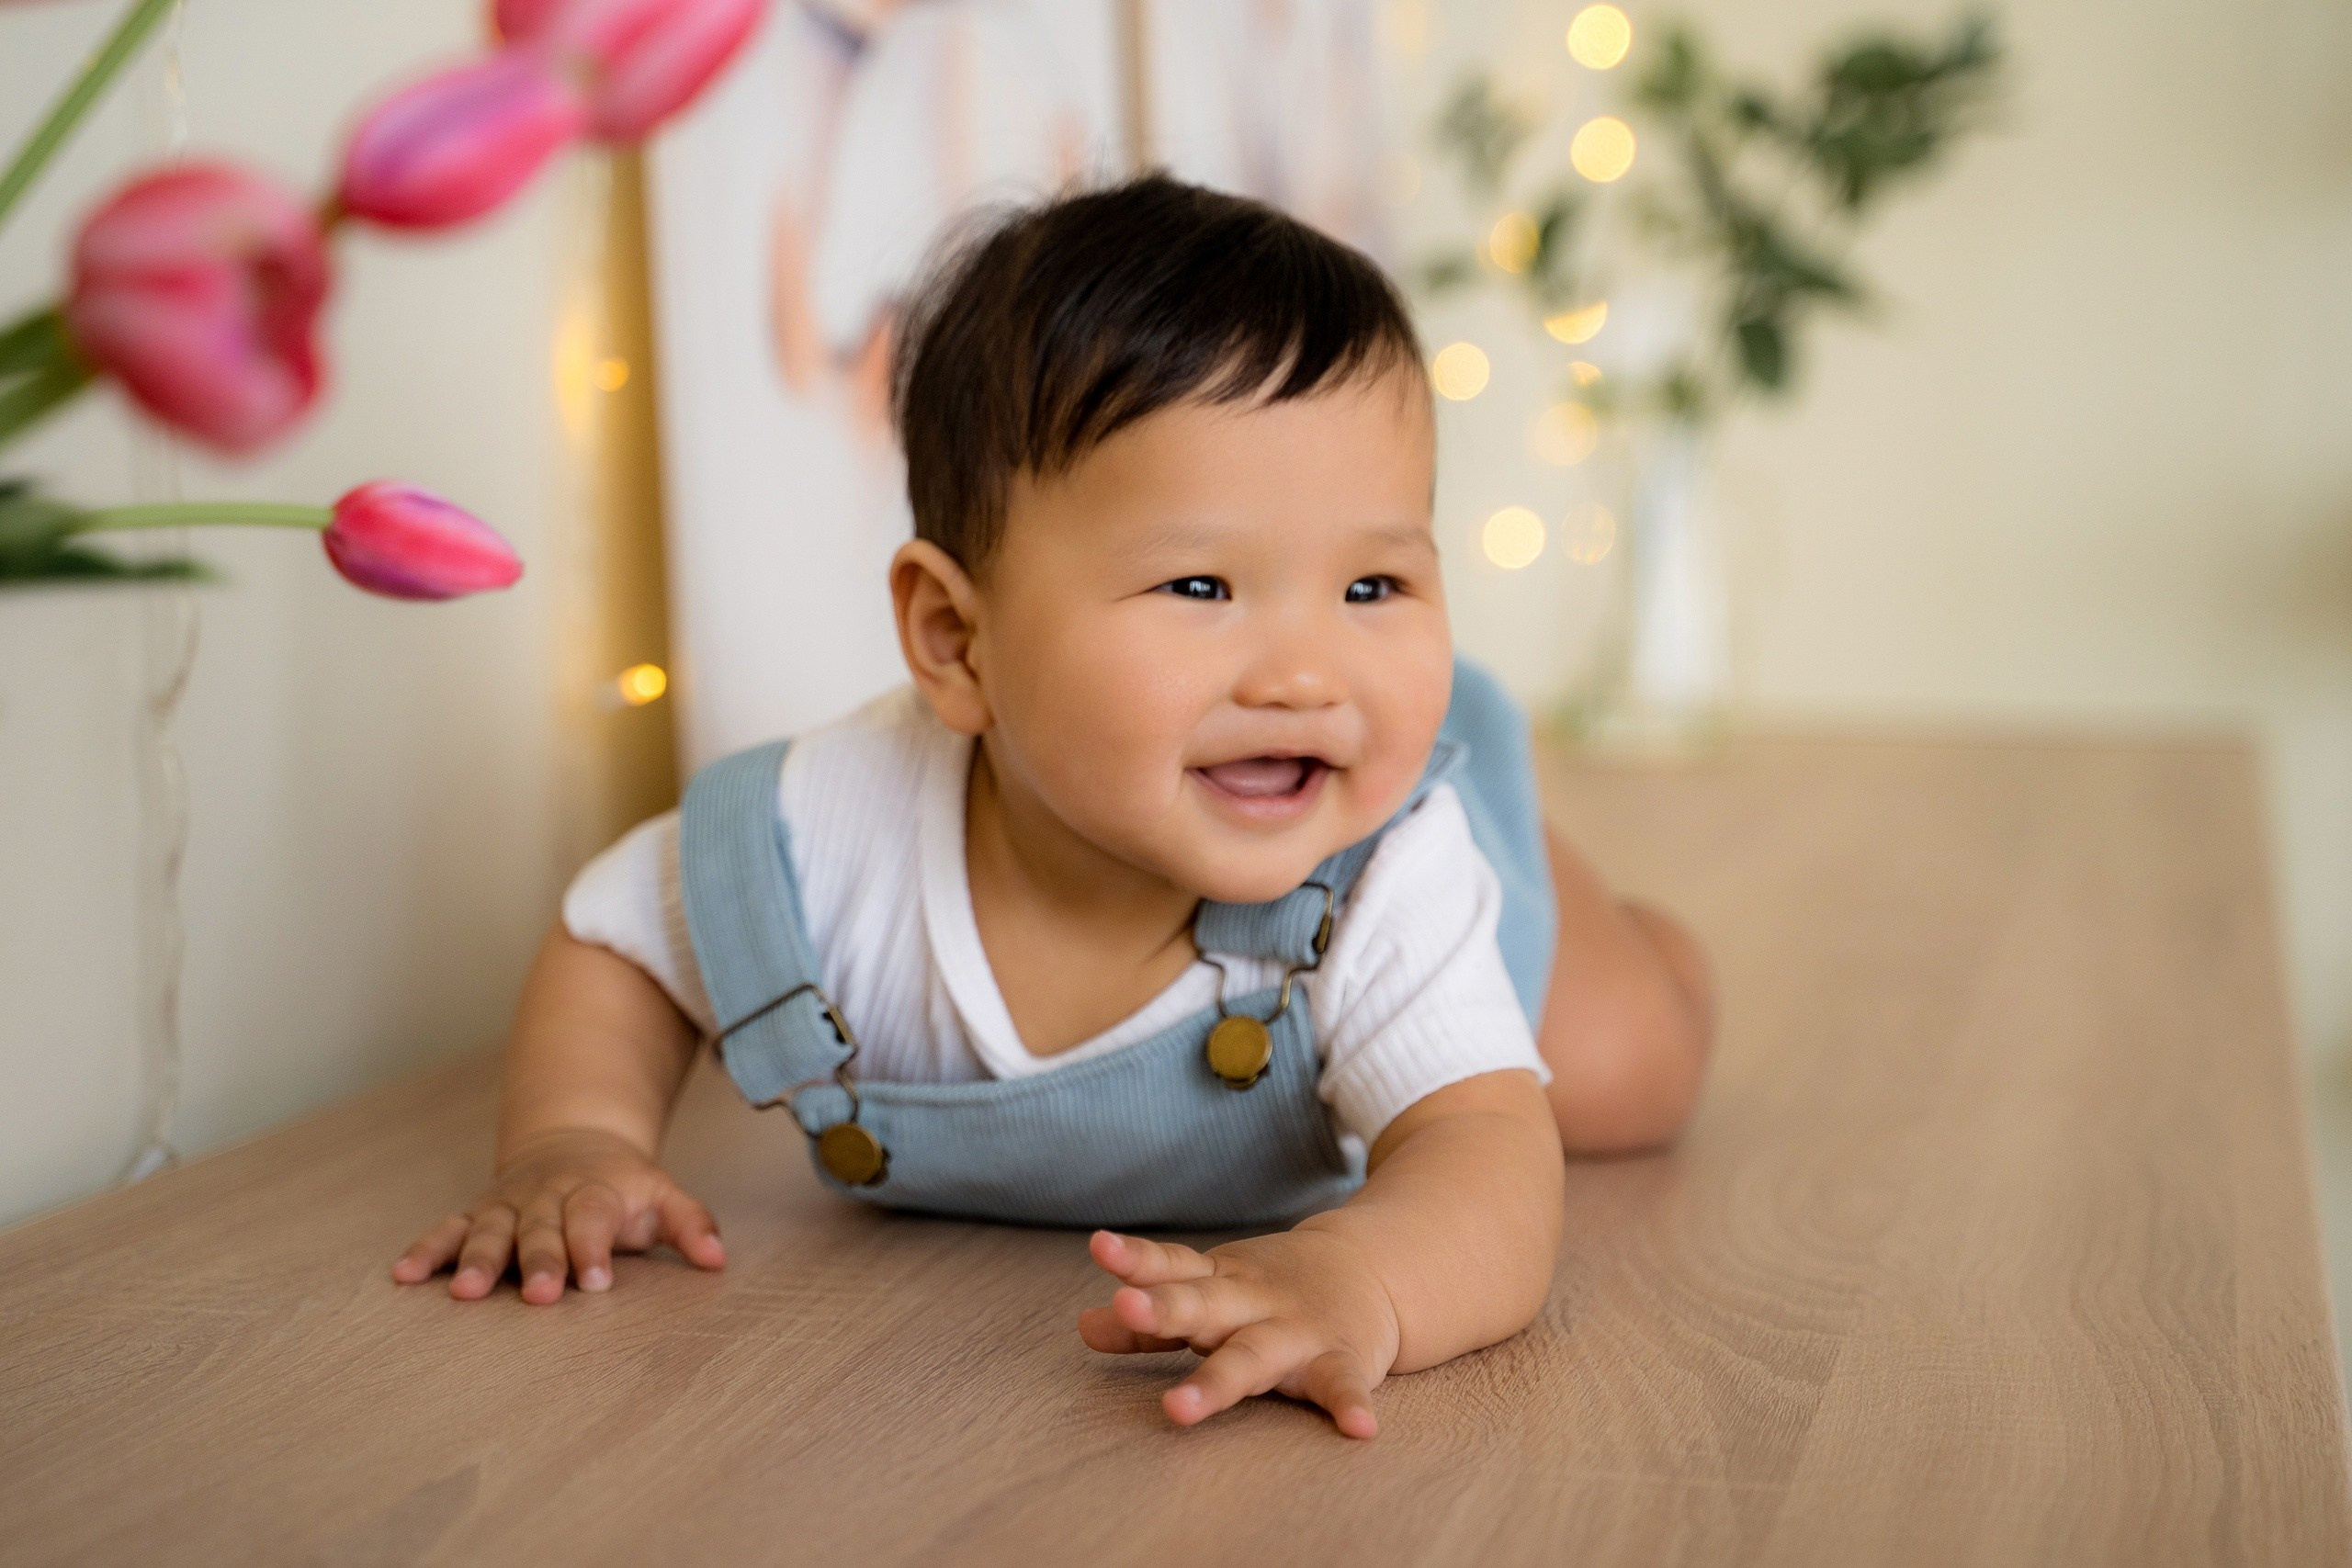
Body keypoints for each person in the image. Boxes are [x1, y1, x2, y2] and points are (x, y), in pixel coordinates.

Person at [392, 176, 1713, 1439]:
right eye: (1201, 587)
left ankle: (1614, 918)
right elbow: (618, 942)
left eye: (1373, 588)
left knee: (1619, 1078)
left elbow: (1484, 1161)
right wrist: (576, 1138)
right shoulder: (824, 835)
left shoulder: (1387, 876)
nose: (1307, 673)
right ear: (957, 641)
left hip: (1431, 894)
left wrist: (1362, 1276)